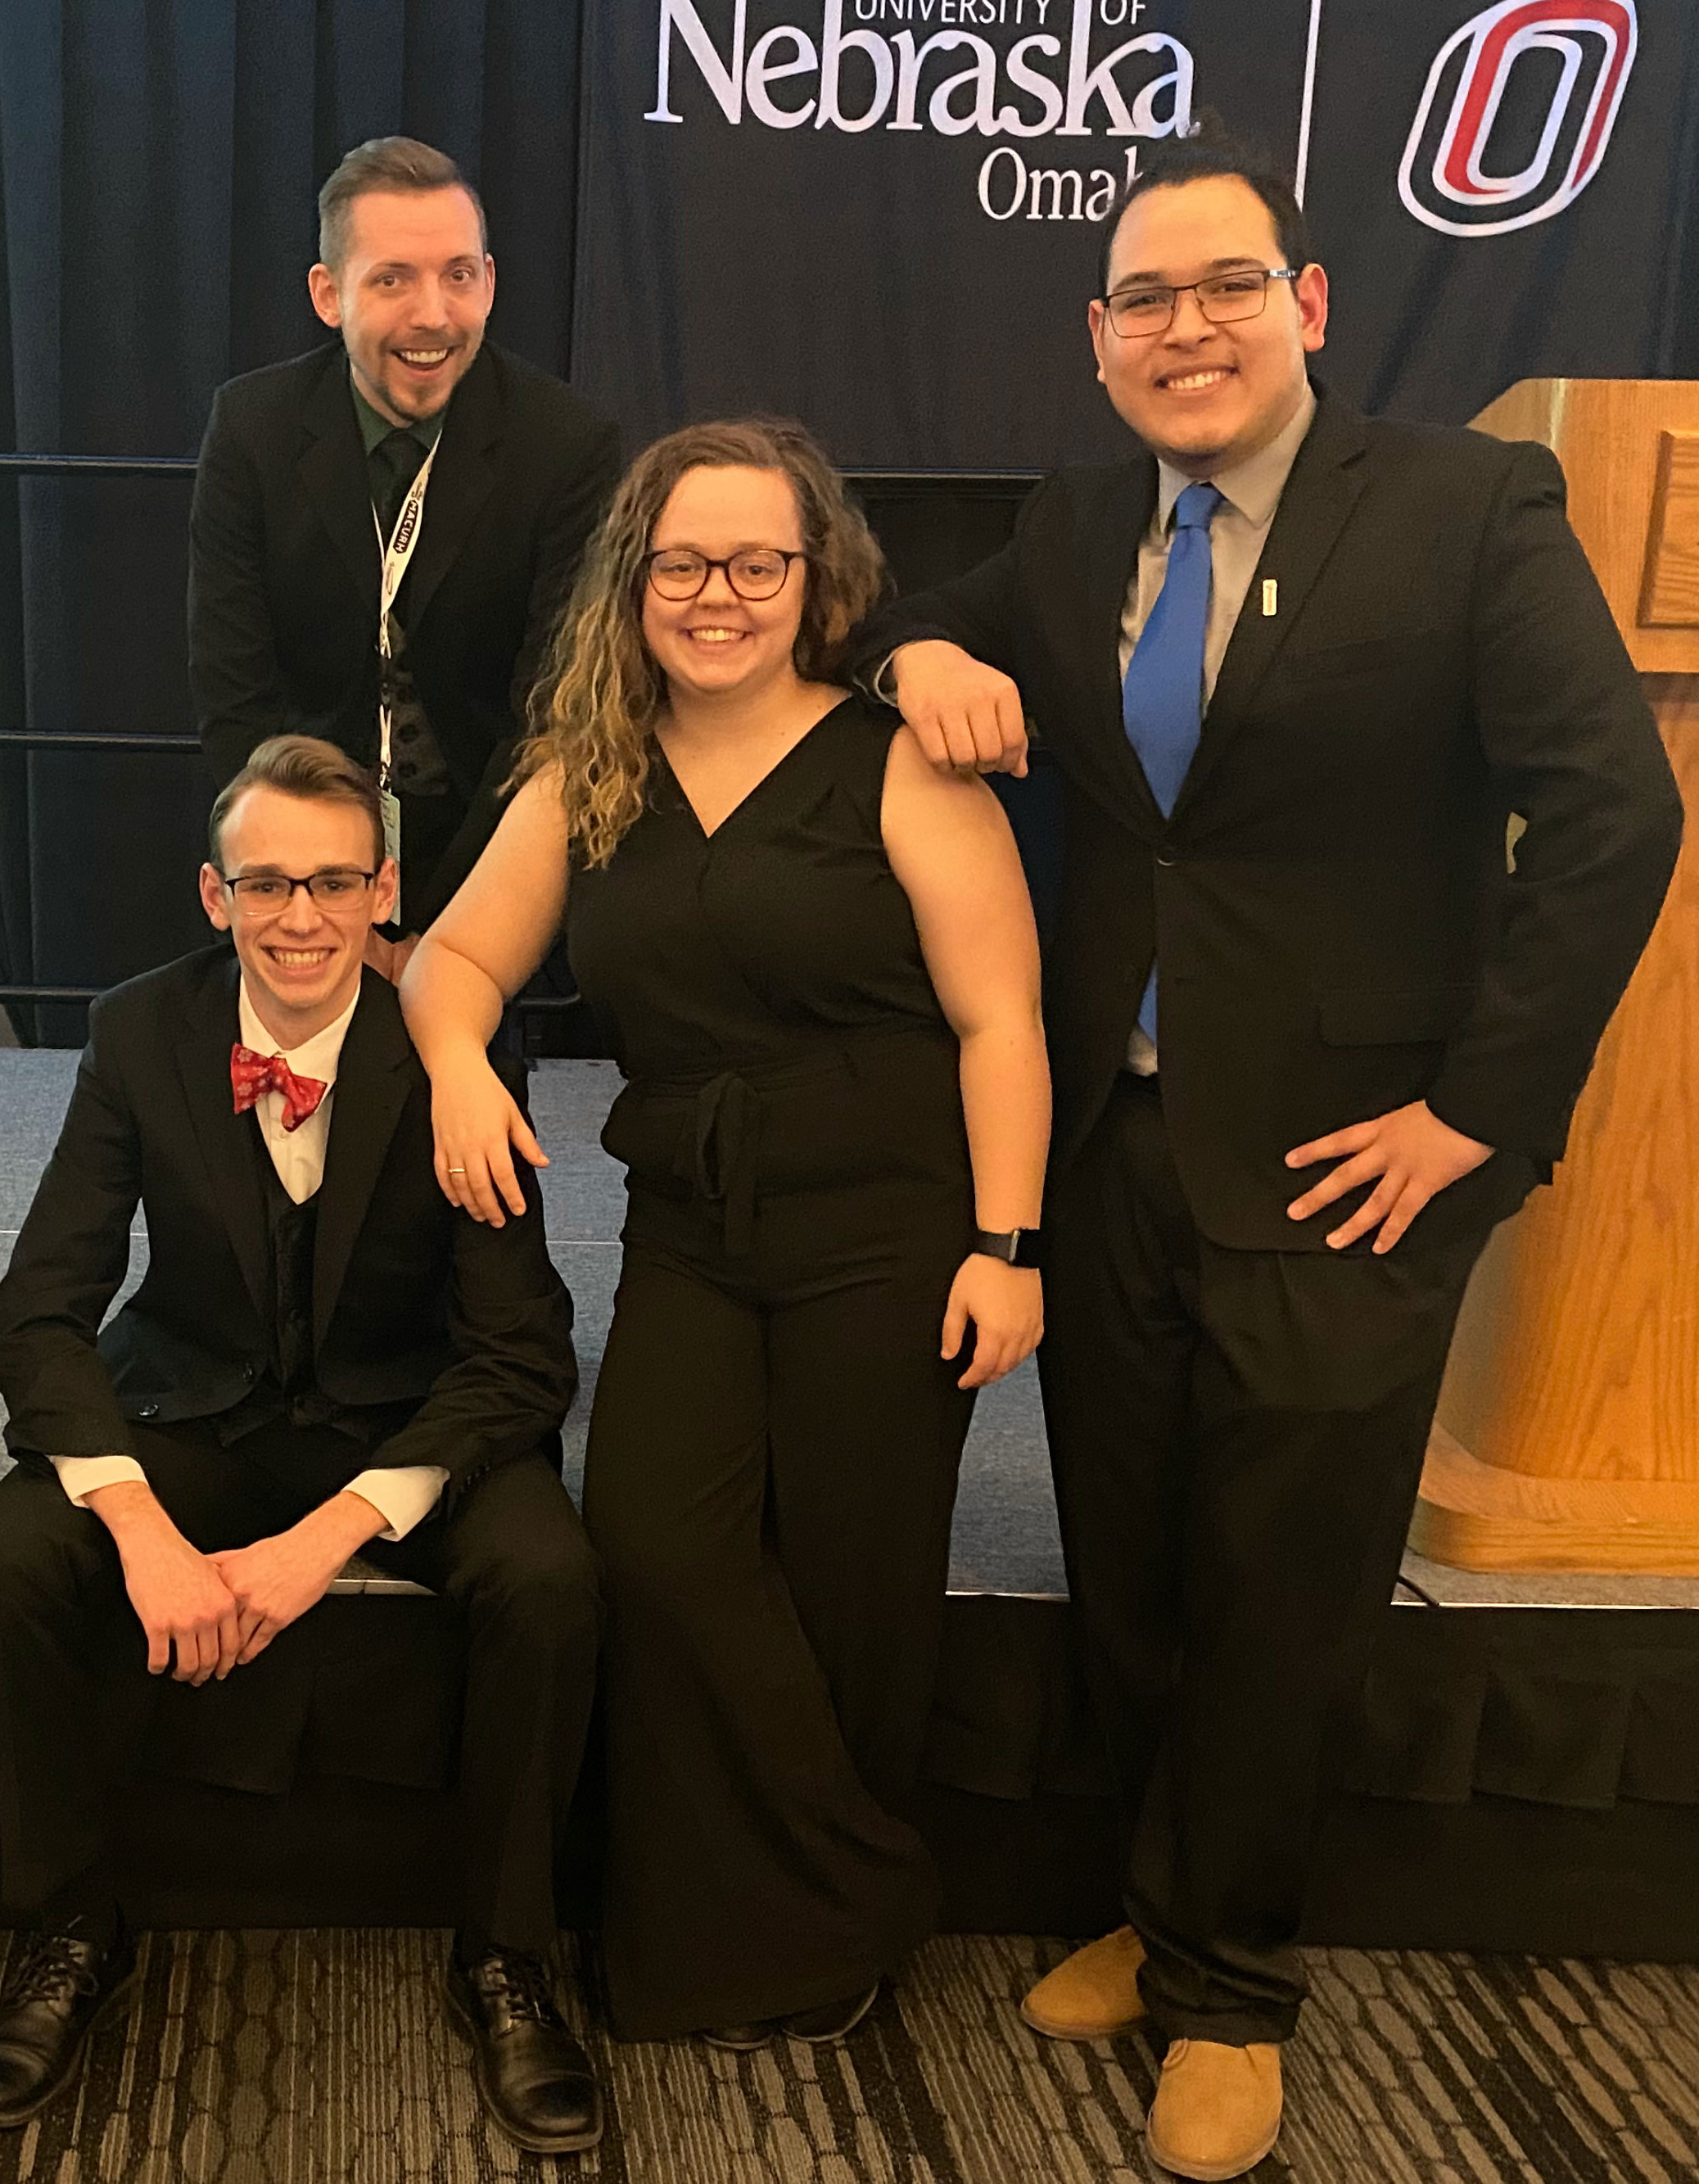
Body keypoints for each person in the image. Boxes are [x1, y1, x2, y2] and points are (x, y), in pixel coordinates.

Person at [849, 129, 1683, 2180]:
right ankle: (1160, 1908)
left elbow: (1616, 819)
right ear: (1100, 339)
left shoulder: (1474, 508)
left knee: (1282, 1593)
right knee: (1130, 1575)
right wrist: (915, 654)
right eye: (1146, 298)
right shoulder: (1072, 532)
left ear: (1310, 307)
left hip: (1351, 1172)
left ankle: (1237, 1987)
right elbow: (914, 623)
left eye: (1228, 285)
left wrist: (1483, 1112)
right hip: (1123, 1149)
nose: (1186, 327)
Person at [402, 420, 1051, 2046]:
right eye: (681, 561)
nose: (717, 593)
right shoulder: (588, 771)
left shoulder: (896, 757)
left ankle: (812, 1936)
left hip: (889, 1230)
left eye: (755, 562)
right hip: (691, 1225)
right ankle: (830, 1880)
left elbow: (1000, 1021)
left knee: (852, 1579)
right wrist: (453, 1076)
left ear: (809, 578)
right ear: (633, 583)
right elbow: (448, 962)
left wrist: (1008, 1245)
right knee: (655, 1540)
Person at [0, 735, 604, 2155]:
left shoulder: (458, 1051)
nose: (299, 916)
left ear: (386, 895)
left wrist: (326, 1538)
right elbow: (37, 1312)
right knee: (0, 1561)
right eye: (265, 883)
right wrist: (138, 1527)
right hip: (200, 1402)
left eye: (331, 882)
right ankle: (67, 1927)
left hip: (405, 1418)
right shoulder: (136, 1033)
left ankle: (507, 1953)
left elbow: (522, 1354)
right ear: (212, 893)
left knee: (548, 1581)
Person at [188, 135, 620, 983]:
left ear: (489, 283)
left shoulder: (567, 445)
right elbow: (232, 690)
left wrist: (454, 931)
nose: (432, 314)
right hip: (300, 855)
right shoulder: (252, 430)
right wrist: (323, 896)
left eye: (458, 275)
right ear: (328, 294)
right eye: (392, 279)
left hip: (491, 849)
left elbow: (551, 715)